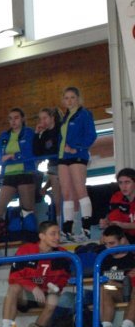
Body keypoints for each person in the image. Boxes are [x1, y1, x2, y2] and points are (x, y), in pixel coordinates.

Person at [0, 220, 71, 327]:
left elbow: (65, 277)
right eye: (53, 234)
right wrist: (33, 287)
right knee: (14, 287)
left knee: (54, 299)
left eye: (58, 234)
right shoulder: (26, 250)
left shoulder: (63, 254)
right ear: (42, 236)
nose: (57, 237)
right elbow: (14, 277)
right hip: (26, 295)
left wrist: (56, 287)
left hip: (45, 296)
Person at [57, 86, 98, 241]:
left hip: (78, 155)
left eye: (72, 97)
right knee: (67, 193)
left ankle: (86, 229)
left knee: (80, 190)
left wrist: (77, 148)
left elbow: (91, 135)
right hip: (63, 156)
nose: (69, 101)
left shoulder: (84, 114)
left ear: (78, 99)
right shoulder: (65, 117)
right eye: (66, 98)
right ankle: (67, 230)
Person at [0, 108, 37, 228]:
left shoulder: (29, 132)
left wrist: (12, 156)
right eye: (10, 119)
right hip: (9, 174)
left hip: (25, 173)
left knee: (28, 209)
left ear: (22, 119)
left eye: (16, 118)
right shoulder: (4, 135)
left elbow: (29, 152)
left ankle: (31, 234)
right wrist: (7, 157)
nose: (13, 121)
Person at [96, 226, 135, 327]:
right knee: (105, 288)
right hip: (118, 292)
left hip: (131, 291)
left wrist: (118, 284)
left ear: (122, 240)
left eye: (112, 243)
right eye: (106, 244)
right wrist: (114, 284)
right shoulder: (103, 258)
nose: (108, 247)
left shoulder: (132, 256)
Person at [34, 107, 61, 217]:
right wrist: (37, 134)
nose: (42, 121)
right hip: (53, 166)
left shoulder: (60, 129)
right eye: (40, 119)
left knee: (68, 196)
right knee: (57, 199)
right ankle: (60, 221)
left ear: (52, 118)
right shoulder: (44, 135)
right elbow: (37, 152)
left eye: (45, 118)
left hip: (64, 163)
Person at [99, 167, 135, 236]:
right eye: (120, 183)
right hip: (125, 235)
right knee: (106, 237)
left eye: (127, 182)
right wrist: (107, 223)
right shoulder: (117, 197)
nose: (123, 186)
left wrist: (124, 225)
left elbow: (121, 225)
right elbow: (114, 220)